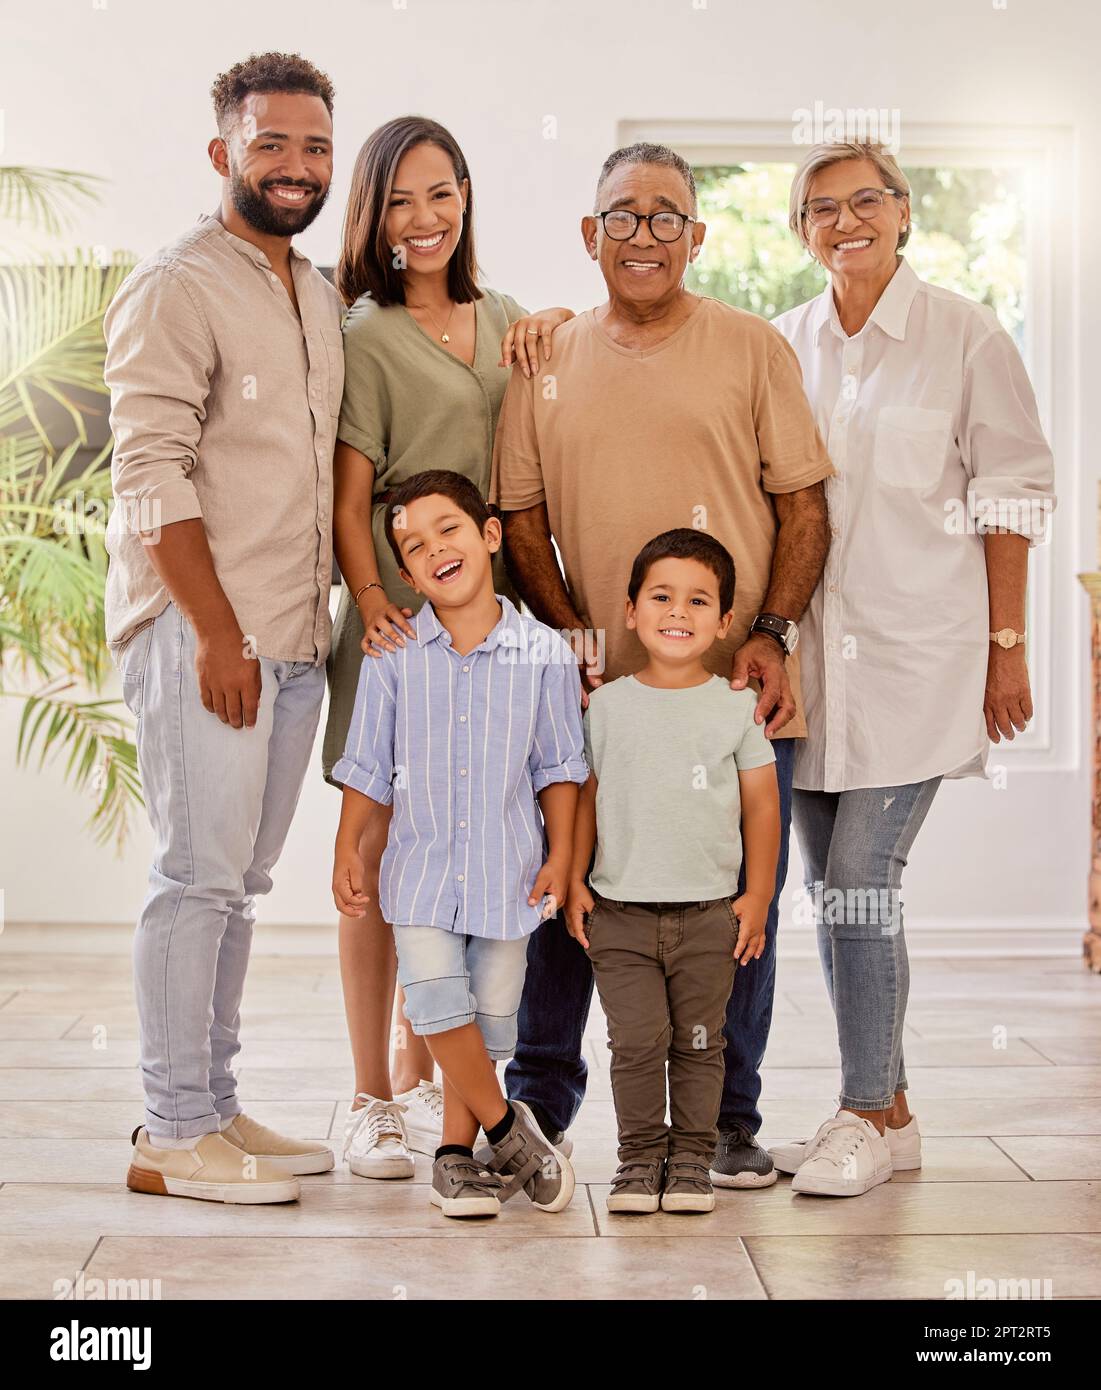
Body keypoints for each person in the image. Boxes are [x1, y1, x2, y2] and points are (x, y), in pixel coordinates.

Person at [490, 141, 833, 1187]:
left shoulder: (753, 346)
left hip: (733, 687)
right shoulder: (542, 358)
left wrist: (772, 632)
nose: (645, 234)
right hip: (592, 695)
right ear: (590, 235)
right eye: (623, 216)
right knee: (570, 890)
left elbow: (803, 504)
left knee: (738, 913)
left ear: (698, 234)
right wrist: (576, 636)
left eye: (667, 216)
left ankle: (728, 1121)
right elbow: (519, 514)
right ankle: (538, 1107)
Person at [768, 141, 1055, 1197]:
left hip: (921, 656)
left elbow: (1014, 493)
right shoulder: (783, 343)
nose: (846, 221)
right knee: (829, 886)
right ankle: (888, 1111)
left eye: (865, 201)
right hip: (809, 671)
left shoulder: (965, 334)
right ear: (800, 229)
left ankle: (862, 1108)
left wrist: (1008, 648)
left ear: (902, 214)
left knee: (860, 880)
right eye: (822, 208)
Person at [105, 53, 343, 1202]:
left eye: (314, 148)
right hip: (208, 638)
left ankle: (214, 1105)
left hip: (295, 640)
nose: (296, 168)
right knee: (194, 876)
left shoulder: (318, 292)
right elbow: (148, 475)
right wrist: (215, 632)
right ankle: (167, 1129)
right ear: (222, 155)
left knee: (236, 882)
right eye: (271, 145)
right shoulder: (176, 285)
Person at [323, 116, 575, 1178]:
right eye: (398, 201)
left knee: (485, 847)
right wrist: (380, 605)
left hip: (502, 616)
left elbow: (561, 385)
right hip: (399, 618)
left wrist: (561, 318)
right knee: (381, 859)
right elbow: (348, 498)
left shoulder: (511, 316)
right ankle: (372, 1096)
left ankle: (432, 1073)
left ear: (466, 196)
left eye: (440, 194)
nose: (422, 219)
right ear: (374, 216)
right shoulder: (366, 334)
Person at [330, 469, 589, 1218]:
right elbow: (367, 766)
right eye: (412, 546)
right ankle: (510, 1130)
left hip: (510, 878)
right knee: (437, 1002)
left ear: (488, 536)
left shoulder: (543, 653)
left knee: (486, 1020)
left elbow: (561, 768)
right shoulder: (393, 656)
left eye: (448, 529)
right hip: (419, 875)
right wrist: (349, 845)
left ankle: (453, 1154)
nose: (433, 549)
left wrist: (563, 857)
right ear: (403, 573)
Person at [566, 530, 780, 1214]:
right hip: (619, 914)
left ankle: (689, 1160)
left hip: (708, 916)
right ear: (630, 610)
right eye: (661, 596)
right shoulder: (605, 706)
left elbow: (761, 809)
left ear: (723, 622)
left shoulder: (734, 708)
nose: (677, 612)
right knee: (633, 1044)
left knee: (697, 1043)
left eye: (696, 600)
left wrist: (757, 894)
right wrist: (572, 879)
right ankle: (638, 1161)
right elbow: (585, 799)